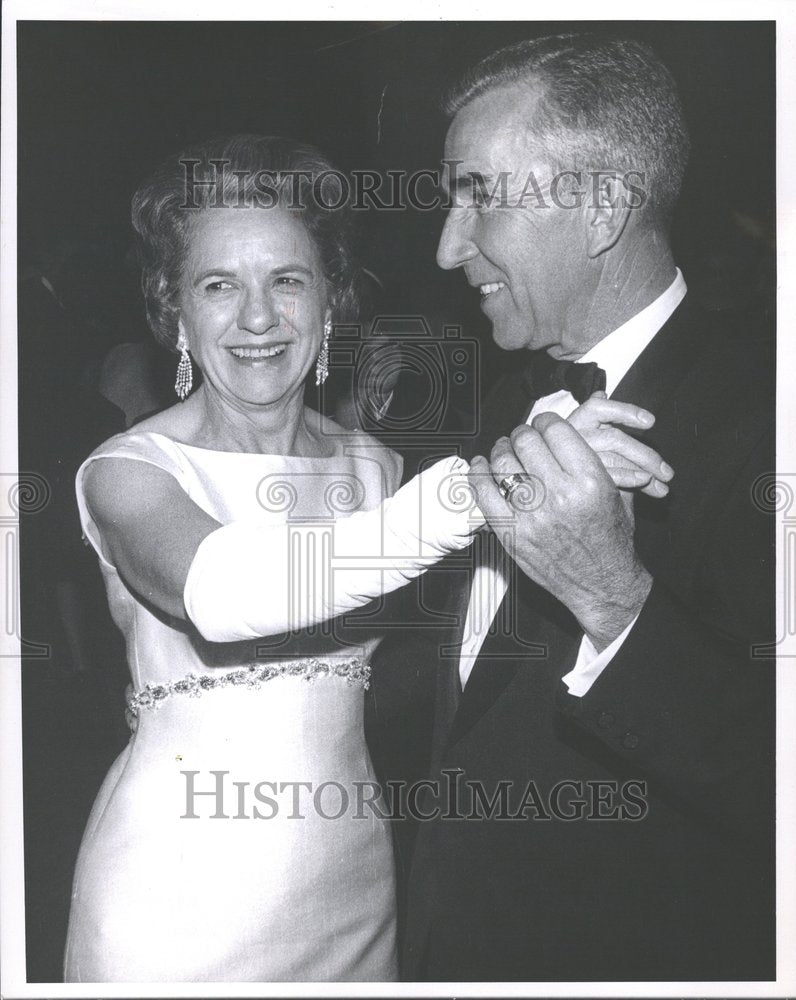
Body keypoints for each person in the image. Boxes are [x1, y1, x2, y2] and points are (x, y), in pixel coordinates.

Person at [63, 134, 670, 982]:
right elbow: (226, 590)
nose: (258, 317)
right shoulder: (128, 474)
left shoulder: (371, 467)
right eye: (217, 285)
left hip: (353, 891)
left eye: (287, 280)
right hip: (176, 898)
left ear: (329, 301)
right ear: (175, 310)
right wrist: (484, 486)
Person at [386, 35, 775, 981]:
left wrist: (614, 600)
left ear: (599, 207)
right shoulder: (491, 402)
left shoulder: (770, 415)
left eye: (478, 191)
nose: (446, 246)